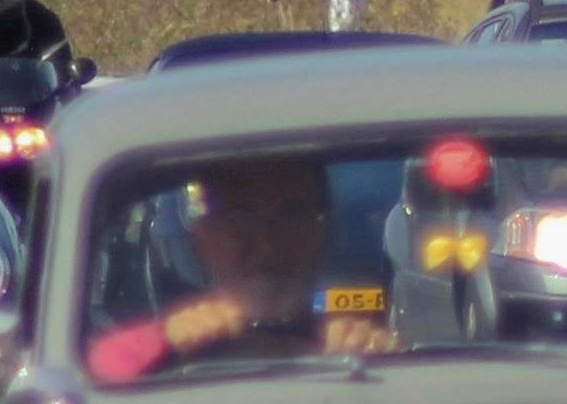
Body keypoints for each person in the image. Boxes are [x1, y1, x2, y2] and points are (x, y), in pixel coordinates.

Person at [86, 156, 396, 381]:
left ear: (323, 229)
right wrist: (167, 342)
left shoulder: (359, 353)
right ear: (202, 236)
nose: (267, 240)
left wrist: (382, 363)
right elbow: (86, 379)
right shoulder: (156, 346)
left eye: (293, 215)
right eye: (240, 217)